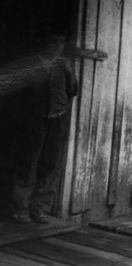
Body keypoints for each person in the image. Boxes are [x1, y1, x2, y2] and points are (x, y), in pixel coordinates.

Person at [9, 34, 77, 224]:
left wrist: (69, 72)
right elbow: (18, 96)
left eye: (61, 42)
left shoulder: (64, 65)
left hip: (57, 119)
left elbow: (72, 91)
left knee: (50, 164)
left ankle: (39, 208)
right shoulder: (32, 64)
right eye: (52, 41)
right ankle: (20, 208)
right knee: (27, 162)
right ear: (43, 43)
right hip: (34, 120)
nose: (57, 46)